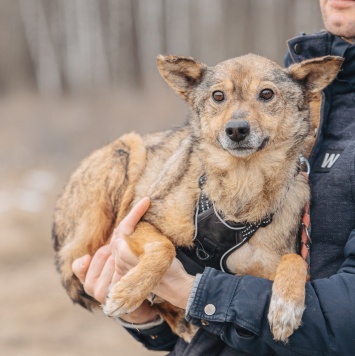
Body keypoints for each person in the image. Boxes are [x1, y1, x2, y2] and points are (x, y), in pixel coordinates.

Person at [72, 0, 355, 354]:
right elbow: (212, 314)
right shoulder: (283, 80)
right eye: (219, 98)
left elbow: (344, 325)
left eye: (265, 97)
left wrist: (185, 290)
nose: (239, 121)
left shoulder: (290, 92)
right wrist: (147, 317)